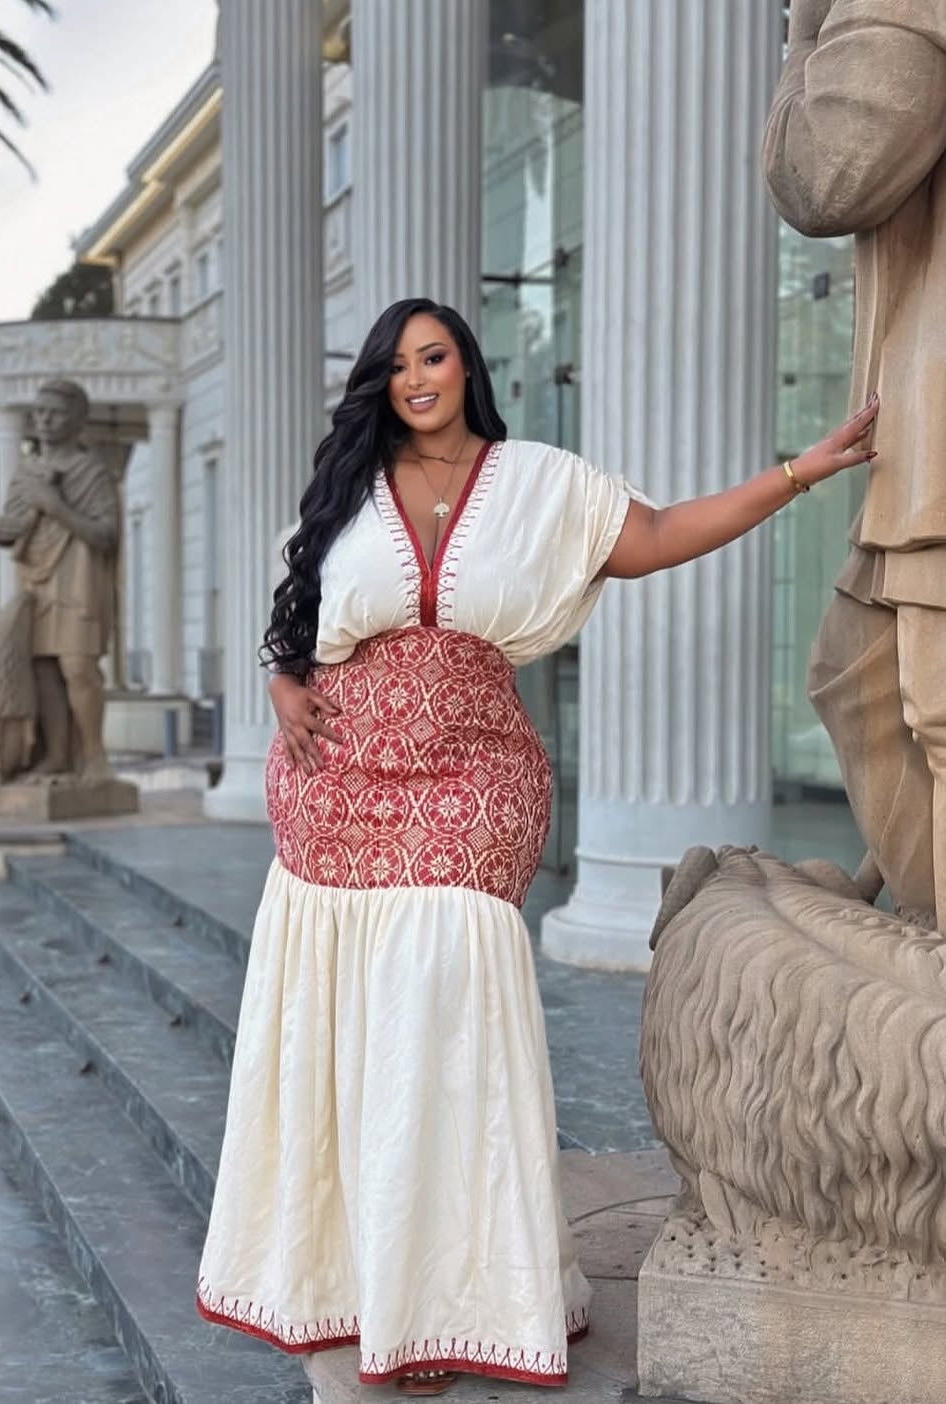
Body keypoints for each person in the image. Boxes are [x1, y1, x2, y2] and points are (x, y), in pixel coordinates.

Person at [196, 297, 877, 1394]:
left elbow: (656, 539)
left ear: (468, 365)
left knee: (439, 1028)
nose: (419, 378)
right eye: (400, 363)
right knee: (356, 1038)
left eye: (437, 355)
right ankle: (358, 1284)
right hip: (336, 793)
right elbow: (295, 626)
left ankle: (447, 1302)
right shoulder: (347, 490)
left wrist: (801, 472)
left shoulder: (539, 484)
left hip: (476, 786)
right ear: (382, 381)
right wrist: (281, 688)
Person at [763, 0, 946, 930]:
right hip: (917, 426)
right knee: (864, 676)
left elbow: (824, 174)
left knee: (920, 707)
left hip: (937, 425)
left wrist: (805, 28)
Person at [0, 378, 119, 783]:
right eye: (40, 411)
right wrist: (22, 516)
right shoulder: (27, 472)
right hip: (35, 579)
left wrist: (54, 505)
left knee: (78, 668)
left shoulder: (91, 472)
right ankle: (57, 757)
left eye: (56, 412)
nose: (44, 419)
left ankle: (94, 757)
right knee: (44, 669)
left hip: (78, 579)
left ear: (77, 420)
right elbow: (3, 531)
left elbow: (105, 534)